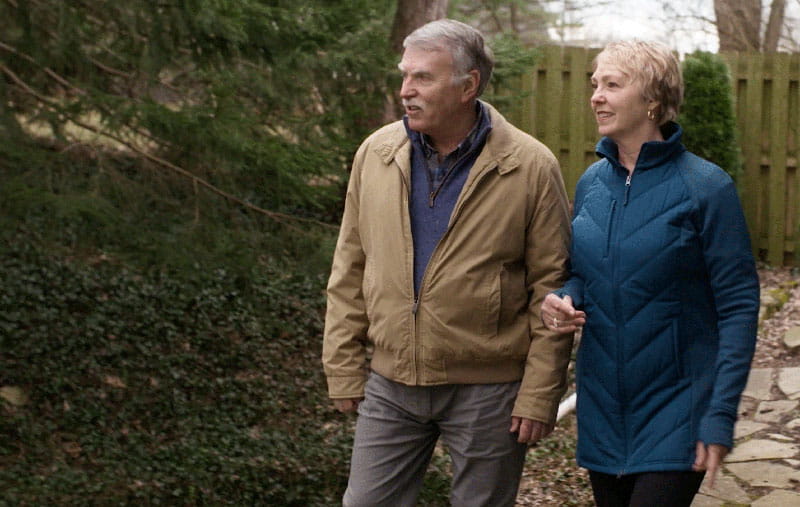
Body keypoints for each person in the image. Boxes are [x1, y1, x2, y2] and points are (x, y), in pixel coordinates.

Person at [322, 18, 574, 507]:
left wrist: (540, 393)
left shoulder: (530, 165)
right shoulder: (375, 154)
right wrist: (342, 365)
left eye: (423, 78)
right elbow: (349, 267)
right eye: (405, 76)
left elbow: (552, 288)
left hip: (489, 389)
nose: (406, 91)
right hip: (392, 383)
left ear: (468, 85)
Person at [541, 40, 760, 507]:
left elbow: (739, 307)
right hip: (602, 412)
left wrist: (719, 415)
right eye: (594, 85)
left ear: (653, 101)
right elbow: (584, 274)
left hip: (678, 410)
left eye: (613, 85)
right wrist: (564, 298)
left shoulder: (706, 187)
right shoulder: (591, 184)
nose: (596, 96)